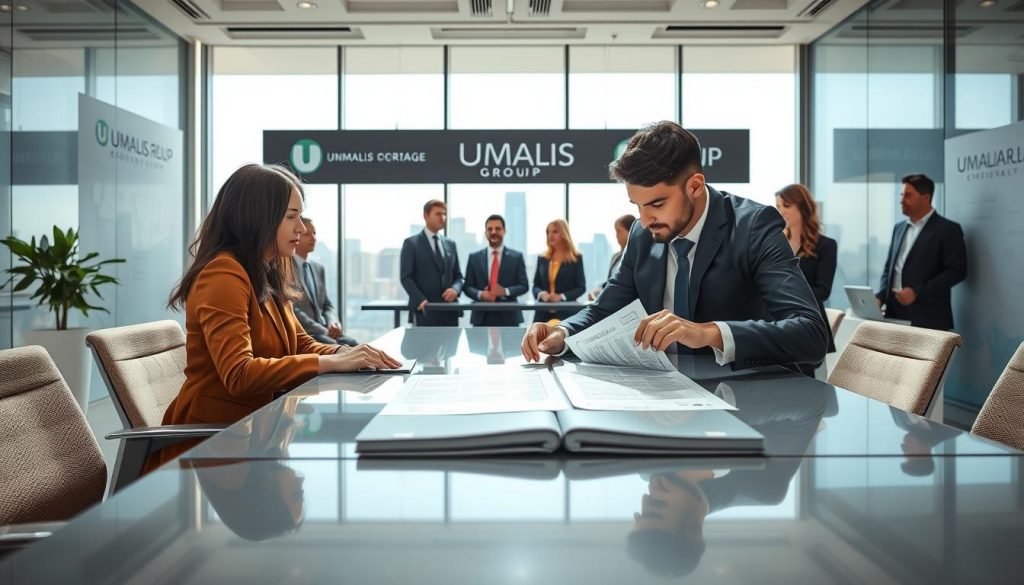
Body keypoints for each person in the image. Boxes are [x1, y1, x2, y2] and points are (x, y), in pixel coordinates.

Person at [521, 121, 828, 370]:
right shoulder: (643, 234)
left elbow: (812, 334)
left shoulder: (754, 226)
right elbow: (604, 310)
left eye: (656, 203)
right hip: (666, 394)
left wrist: (707, 333)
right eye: (637, 205)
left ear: (694, 185)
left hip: (748, 403)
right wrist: (562, 333)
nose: (645, 219)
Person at [158, 164, 400, 455]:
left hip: (260, 431)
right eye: (291, 217)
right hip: (214, 444)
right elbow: (239, 373)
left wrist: (346, 354)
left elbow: (300, 343)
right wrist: (332, 363)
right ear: (257, 218)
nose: (301, 228)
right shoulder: (223, 273)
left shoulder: (266, 269)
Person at [876, 173, 967, 330]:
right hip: (894, 314)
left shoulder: (948, 229)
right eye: (901, 194)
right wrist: (880, 296)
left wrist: (917, 293)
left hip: (928, 317)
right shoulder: (898, 228)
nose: (901, 200)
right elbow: (889, 268)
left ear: (926, 198)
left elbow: (957, 271)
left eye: (908, 195)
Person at [775, 184, 837, 375]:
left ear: (802, 207)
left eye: (786, 205)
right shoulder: (775, 243)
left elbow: (823, 291)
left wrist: (786, 292)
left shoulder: (826, 246)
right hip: (776, 324)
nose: (781, 211)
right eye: (778, 206)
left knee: (808, 393)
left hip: (807, 325)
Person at [291, 216, 357, 347]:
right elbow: (293, 310)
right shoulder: (286, 268)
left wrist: (334, 323)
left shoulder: (318, 268)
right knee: (341, 349)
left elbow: (327, 304)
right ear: (296, 236)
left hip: (326, 331)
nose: (313, 238)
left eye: (314, 233)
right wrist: (324, 330)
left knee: (353, 344)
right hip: (306, 334)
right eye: (307, 234)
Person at [400, 200, 464, 326]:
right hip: (424, 310)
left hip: (450, 311)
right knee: (423, 346)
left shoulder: (450, 244)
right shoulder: (411, 244)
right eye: (438, 214)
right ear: (425, 216)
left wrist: (455, 290)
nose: (443, 218)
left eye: (444, 214)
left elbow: (459, 276)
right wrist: (420, 300)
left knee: (452, 346)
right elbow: (406, 277)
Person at [462, 214, 529, 326]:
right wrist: (480, 294)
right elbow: (467, 287)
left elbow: (524, 285)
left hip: (509, 317)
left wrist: (505, 291)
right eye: (490, 229)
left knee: (512, 345)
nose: (493, 232)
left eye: (498, 228)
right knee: (478, 345)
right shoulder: (474, 258)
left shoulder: (516, 257)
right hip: (481, 317)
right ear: (485, 232)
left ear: (504, 231)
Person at [532, 219, 586, 323]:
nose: (550, 235)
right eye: (548, 232)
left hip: (567, 313)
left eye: (555, 232)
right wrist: (540, 293)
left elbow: (581, 287)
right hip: (542, 313)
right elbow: (536, 286)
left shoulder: (576, 258)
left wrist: (561, 297)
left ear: (564, 233)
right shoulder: (542, 258)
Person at [588, 213, 637, 300]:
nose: (616, 236)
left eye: (619, 231)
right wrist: (598, 291)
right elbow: (611, 281)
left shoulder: (637, 256)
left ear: (631, 231)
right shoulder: (616, 256)